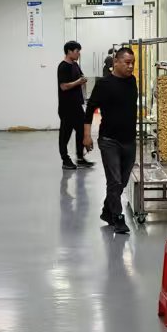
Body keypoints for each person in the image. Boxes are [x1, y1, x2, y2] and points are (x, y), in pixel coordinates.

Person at [84, 45, 137, 234]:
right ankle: (118, 217)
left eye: (133, 63)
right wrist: (86, 135)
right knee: (114, 181)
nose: (131, 66)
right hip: (109, 140)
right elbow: (90, 109)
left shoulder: (132, 81)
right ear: (116, 62)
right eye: (127, 62)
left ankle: (107, 211)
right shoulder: (104, 84)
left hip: (129, 140)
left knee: (122, 181)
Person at [56, 40, 94, 170]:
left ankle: (80, 158)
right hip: (66, 107)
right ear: (69, 51)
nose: (79, 54)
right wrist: (78, 81)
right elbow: (63, 86)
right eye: (77, 51)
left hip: (77, 105)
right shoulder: (63, 67)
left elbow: (80, 77)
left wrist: (83, 80)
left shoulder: (75, 65)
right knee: (65, 134)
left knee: (82, 131)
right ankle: (65, 160)